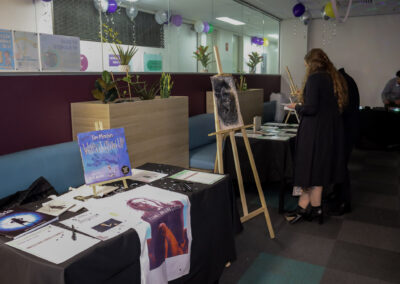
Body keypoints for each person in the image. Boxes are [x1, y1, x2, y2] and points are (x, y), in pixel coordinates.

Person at [285, 48, 347, 225]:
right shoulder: (332, 78)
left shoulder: (314, 78)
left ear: (310, 64)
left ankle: (305, 209)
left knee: (307, 169)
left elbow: (311, 109)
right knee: (317, 170)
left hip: (314, 132)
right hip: (328, 132)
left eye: (306, 65)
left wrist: (295, 107)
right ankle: (315, 208)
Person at [328, 68, 360, 215]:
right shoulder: (346, 79)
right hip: (349, 129)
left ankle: (345, 202)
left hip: (346, 130)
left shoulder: (343, 82)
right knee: (340, 164)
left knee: (341, 165)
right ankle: (336, 192)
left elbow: (342, 108)